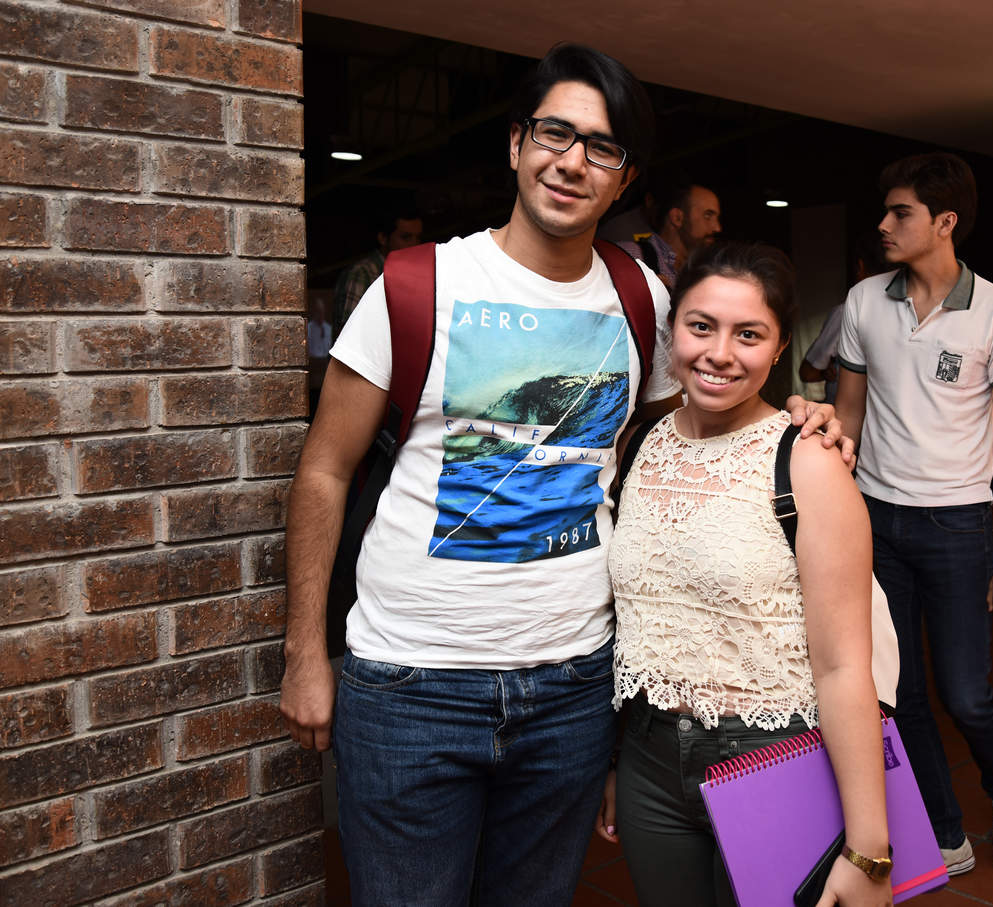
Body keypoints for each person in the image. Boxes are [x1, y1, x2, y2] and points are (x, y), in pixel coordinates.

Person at [278, 43, 844, 907]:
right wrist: (304, 652)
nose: (573, 161)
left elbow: (688, 429)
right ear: (516, 143)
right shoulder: (415, 284)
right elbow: (323, 470)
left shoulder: (642, 297)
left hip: (574, 687)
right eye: (555, 133)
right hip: (409, 685)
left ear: (624, 180)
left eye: (602, 148)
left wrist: (794, 419)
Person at [597, 241, 892, 907]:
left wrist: (869, 850)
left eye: (749, 334)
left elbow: (845, 667)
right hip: (647, 761)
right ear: (672, 330)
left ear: (781, 345)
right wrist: (617, 761)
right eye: (701, 326)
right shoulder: (637, 445)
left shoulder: (807, 460)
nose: (720, 353)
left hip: (772, 757)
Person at [834, 152, 993, 874]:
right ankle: (945, 828)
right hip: (876, 520)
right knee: (899, 691)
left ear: (945, 222)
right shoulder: (864, 301)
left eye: (902, 213)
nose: (884, 225)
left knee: (966, 693)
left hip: (957, 525)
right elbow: (848, 417)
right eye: (886, 211)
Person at [800, 234, 884, 403]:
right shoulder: (907, 310)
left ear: (860, 267)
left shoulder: (848, 311)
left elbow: (808, 372)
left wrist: (828, 372)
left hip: (846, 412)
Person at [331, 207, 424, 339]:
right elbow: (347, 335)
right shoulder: (362, 273)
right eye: (406, 237)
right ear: (383, 238)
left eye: (418, 238)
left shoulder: (416, 276)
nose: (414, 244)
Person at [618, 180, 722, 288]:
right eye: (707, 216)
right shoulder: (631, 255)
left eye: (717, 218)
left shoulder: (705, 270)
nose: (717, 228)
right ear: (677, 218)